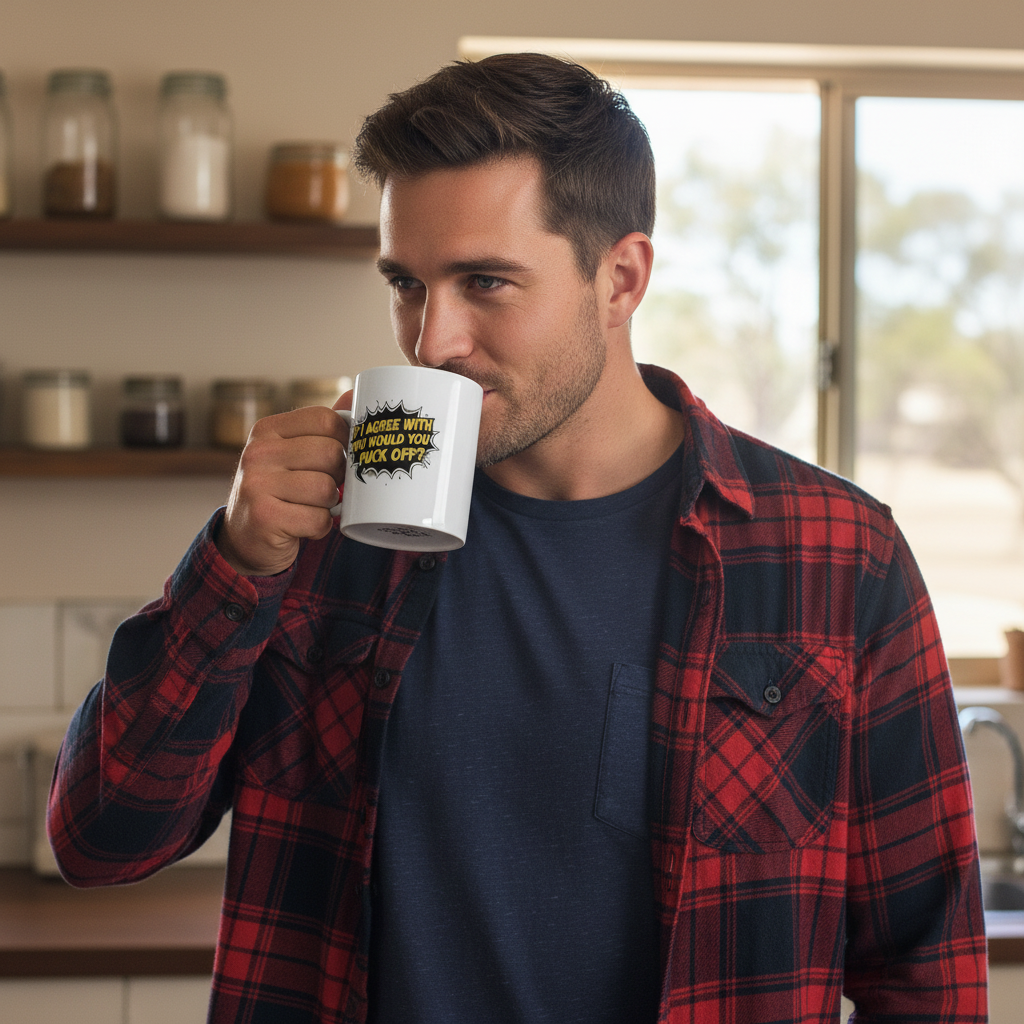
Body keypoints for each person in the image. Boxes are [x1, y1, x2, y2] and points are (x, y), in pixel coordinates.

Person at [47, 53, 987, 1024]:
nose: (431, 340)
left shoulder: (836, 555)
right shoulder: (320, 538)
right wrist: (235, 562)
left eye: (485, 281)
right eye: (405, 283)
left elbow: (924, 970)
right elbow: (101, 838)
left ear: (619, 278)